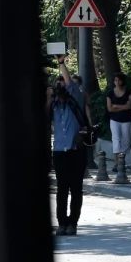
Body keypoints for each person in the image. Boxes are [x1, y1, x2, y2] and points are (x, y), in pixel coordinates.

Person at [51, 55, 90, 236]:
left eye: (63, 83)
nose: (61, 86)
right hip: (59, 152)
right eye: (57, 84)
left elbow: (69, 82)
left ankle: (73, 223)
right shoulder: (53, 106)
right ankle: (62, 223)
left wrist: (61, 64)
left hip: (76, 152)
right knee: (61, 189)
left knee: (76, 188)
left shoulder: (76, 100)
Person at [106, 72, 131, 172]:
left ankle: (122, 161)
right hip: (114, 120)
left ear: (122, 81)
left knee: (126, 140)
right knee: (116, 140)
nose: (117, 82)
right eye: (115, 80)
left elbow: (129, 106)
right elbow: (110, 109)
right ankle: (116, 163)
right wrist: (123, 107)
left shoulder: (128, 92)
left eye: (119, 80)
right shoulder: (110, 93)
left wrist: (116, 106)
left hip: (126, 119)